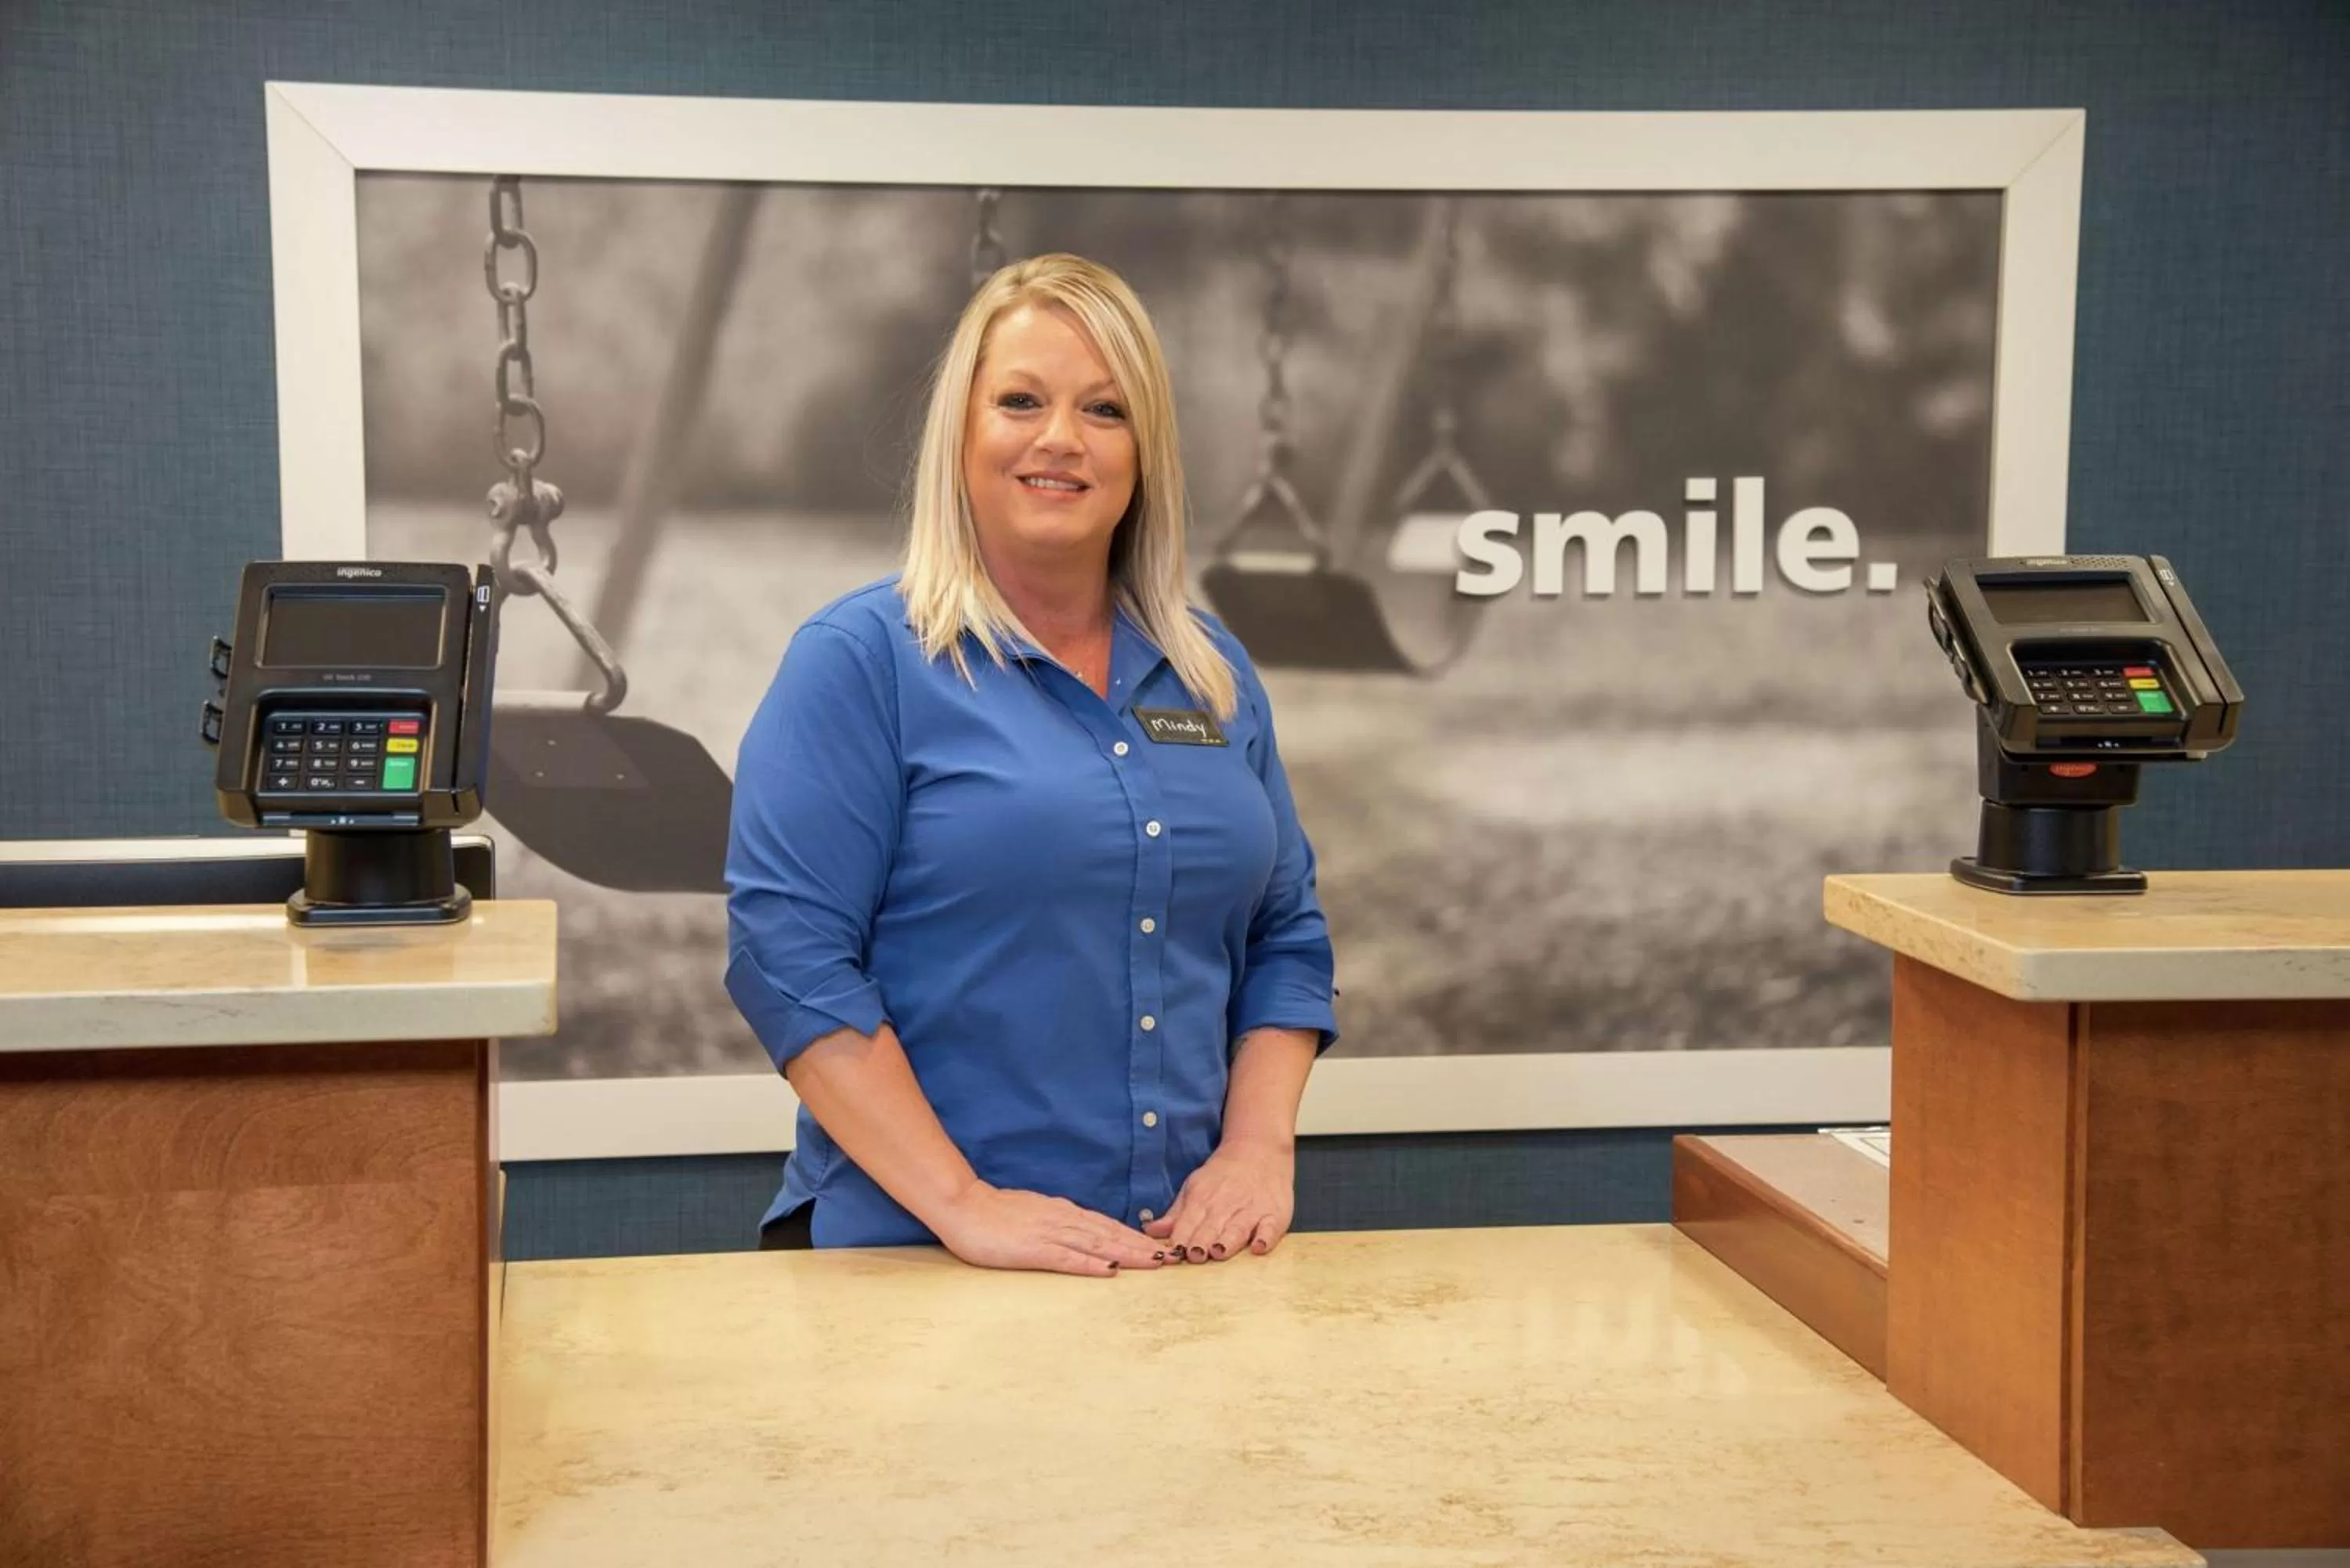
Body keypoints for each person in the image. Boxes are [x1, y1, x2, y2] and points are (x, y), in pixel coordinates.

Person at [723, 253, 1338, 1276]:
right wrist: (967, 1205)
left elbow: (1287, 934)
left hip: (1180, 1272)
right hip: (916, 1270)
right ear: (961, 432)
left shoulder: (1212, 674)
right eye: (1021, 400)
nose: (1061, 437)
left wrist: (1256, 1149)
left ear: (1146, 452)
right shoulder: (861, 661)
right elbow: (788, 960)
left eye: (1105, 409)